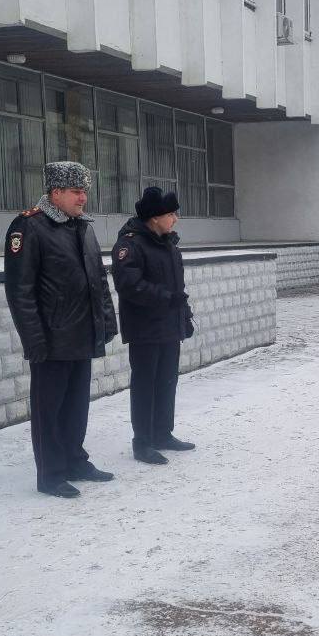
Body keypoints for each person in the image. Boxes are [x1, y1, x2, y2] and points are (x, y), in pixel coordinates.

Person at [4, 161, 118, 498]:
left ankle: (74, 461)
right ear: (55, 193)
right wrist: (33, 339)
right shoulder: (28, 228)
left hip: (82, 334)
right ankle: (51, 474)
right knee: (49, 409)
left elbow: (98, 279)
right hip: (51, 339)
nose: (83, 198)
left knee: (76, 405)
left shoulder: (82, 227)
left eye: (85, 191)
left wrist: (107, 322)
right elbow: (19, 290)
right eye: (76, 191)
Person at [112, 187, 196, 464]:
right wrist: (166, 299)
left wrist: (184, 315)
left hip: (169, 326)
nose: (176, 219)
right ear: (155, 217)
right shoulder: (130, 244)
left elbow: (177, 287)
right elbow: (129, 286)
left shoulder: (168, 243)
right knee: (146, 383)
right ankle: (143, 441)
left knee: (167, 381)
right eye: (171, 213)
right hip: (145, 328)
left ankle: (162, 432)